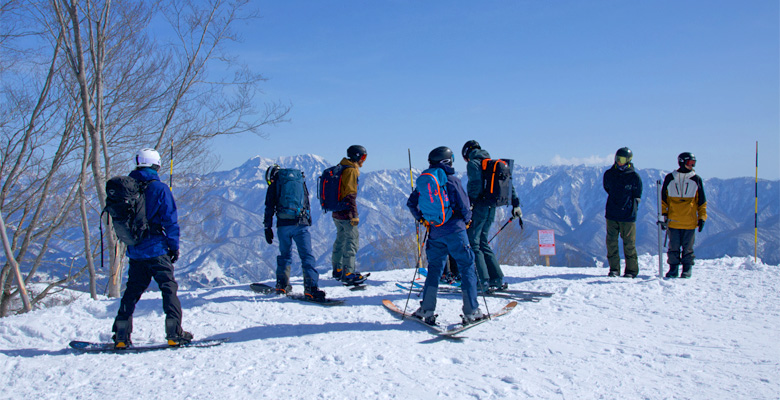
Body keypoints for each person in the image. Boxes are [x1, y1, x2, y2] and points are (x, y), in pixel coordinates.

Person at [112, 148, 192, 348]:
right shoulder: (160, 188)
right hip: (157, 249)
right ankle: (174, 333)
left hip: (135, 249)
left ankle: (121, 336)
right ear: (156, 165)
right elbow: (170, 221)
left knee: (132, 291)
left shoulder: (127, 188)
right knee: (168, 289)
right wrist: (174, 246)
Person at [406, 146, 483, 325]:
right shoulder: (452, 181)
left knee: (434, 269)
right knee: (466, 266)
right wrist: (467, 221)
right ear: (448, 161)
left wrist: (423, 220)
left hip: (435, 231)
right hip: (456, 231)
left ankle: (426, 309)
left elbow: (411, 203)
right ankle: (472, 310)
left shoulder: (425, 182)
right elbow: (465, 207)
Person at [461, 140, 523, 291]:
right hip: (492, 207)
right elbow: (509, 185)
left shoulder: (474, 164)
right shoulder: (493, 164)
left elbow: (474, 185)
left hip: (479, 207)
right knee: (483, 242)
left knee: (474, 242)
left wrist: (470, 203)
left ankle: (482, 280)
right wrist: (516, 204)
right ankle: (496, 278)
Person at [263, 165, 326, 300]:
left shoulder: (275, 184)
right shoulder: (299, 181)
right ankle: (311, 288)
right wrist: (307, 221)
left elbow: (269, 207)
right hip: (301, 224)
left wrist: (267, 227)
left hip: (283, 226)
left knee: (285, 255)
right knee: (307, 256)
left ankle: (282, 285)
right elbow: (306, 200)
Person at [661, 152, 707, 278]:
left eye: (694, 163)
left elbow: (701, 202)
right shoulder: (670, 178)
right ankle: (673, 269)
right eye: (690, 163)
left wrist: (702, 217)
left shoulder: (696, 179)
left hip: (689, 221)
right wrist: (663, 215)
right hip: (673, 220)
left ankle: (687, 269)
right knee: (673, 247)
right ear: (682, 162)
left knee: (688, 248)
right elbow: (663, 200)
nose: (692, 166)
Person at [602, 147, 643, 278]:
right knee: (611, 243)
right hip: (612, 214)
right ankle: (614, 269)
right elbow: (607, 188)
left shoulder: (634, 177)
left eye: (622, 159)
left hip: (628, 216)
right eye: (617, 158)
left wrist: (631, 207)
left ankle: (631, 270)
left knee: (629, 244)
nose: (619, 161)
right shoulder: (609, 174)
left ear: (628, 160)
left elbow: (637, 194)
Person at [331, 145, 368, 285]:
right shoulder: (351, 171)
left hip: (336, 212)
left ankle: (337, 269)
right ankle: (348, 273)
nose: (364, 161)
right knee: (352, 242)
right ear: (357, 156)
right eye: (363, 157)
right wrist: (354, 215)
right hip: (347, 213)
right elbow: (350, 195)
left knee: (340, 240)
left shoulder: (341, 167)